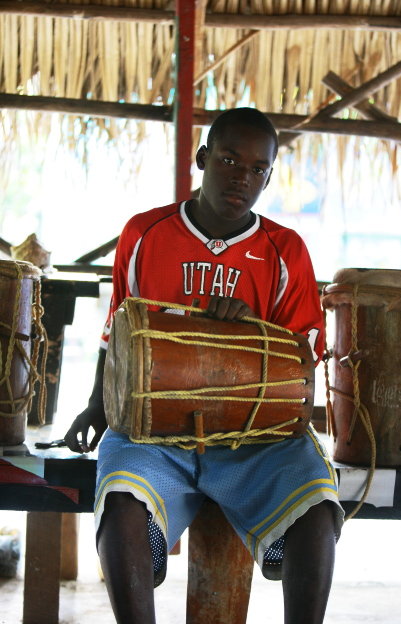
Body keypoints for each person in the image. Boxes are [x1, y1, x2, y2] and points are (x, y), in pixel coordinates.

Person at [65, 107, 344, 624]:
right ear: (203, 158)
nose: (242, 177)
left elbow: (303, 355)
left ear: (268, 176)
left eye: (258, 168)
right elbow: (118, 333)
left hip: (254, 440)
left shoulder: (286, 250)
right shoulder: (145, 233)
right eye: (230, 160)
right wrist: (95, 408)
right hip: (155, 435)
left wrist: (246, 333)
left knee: (320, 505)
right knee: (122, 501)